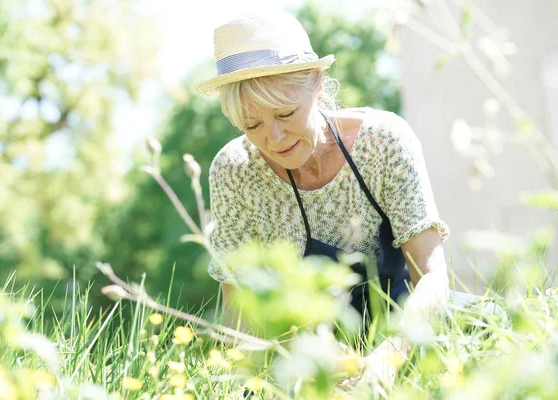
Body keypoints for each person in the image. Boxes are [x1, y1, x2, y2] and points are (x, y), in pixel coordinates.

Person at [193, 9, 451, 388]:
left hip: (410, 341)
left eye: (286, 112)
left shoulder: (384, 142)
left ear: (316, 81)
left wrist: (388, 359)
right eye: (253, 125)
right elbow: (240, 312)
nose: (274, 139)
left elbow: (432, 279)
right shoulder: (235, 171)